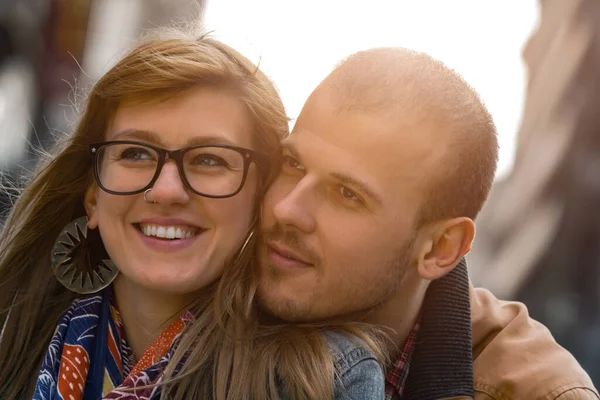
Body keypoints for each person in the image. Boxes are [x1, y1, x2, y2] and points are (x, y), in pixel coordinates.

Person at [0, 26, 387, 400]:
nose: (166, 191)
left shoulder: (324, 379)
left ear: (260, 196)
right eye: (135, 153)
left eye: (209, 159)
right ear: (92, 197)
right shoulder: (13, 337)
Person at [257, 47, 600, 400]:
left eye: (347, 194)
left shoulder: (537, 393)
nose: (287, 210)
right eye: (292, 163)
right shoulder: (210, 283)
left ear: (440, 248)